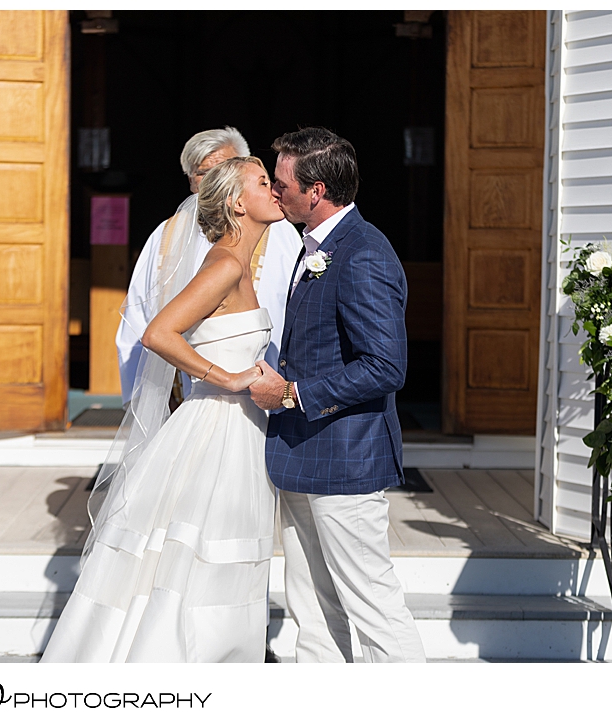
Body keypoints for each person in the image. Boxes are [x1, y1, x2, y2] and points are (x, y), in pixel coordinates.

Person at [41, 157, 286, 662]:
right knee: (200, 554)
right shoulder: (225, 264)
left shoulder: (242, 264)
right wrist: (229, 378)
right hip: (214, 432)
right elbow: (157, 333)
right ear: (239, 203)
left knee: (223, 555)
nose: (277, 190)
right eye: (264, 183)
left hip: (242, 434)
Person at [249, 128, 426, 663]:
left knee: (373, 606)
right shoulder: (313, 245)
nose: (274, 192)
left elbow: (385, 366)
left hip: (347, 459)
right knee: (312, 606)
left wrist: (293, 392)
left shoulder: (364, 253)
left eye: (281, 184)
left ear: (316, 190)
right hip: (301, 454)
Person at [117, 127, 300, 404]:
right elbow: (140, 323)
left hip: (269, 392)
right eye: (203, 173)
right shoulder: (166, 236)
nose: (214, 179)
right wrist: (142, 398)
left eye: (224, 168)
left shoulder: (280, 230)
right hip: (195, 397)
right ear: (191, 181)